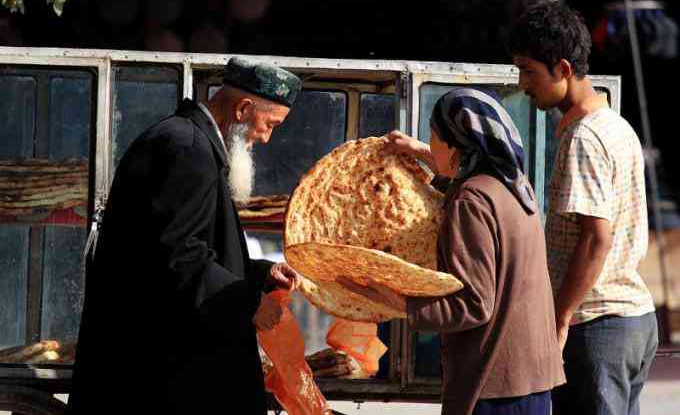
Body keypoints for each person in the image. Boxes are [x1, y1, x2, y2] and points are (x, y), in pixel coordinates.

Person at [66, 57, 303, 415]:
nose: (266, 138)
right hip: (159, 376)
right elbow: (177, 257)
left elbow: (192, 248)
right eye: (269, 124)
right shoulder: (187, 149)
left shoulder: (186, 140)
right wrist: (250, 304)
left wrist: (260, 274)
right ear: (242, 109)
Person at [343, 87, 565, 415]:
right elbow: (458, 173)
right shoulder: (513, 184)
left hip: (494, 383)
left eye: (433, 136)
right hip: (531, 376)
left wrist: (394, 299)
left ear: (457, 146)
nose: (429, 143)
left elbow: (474, 304)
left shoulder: (470, 202)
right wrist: (417, 150)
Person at [508, 0, 658, 415]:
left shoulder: (585, 138)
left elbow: (597, 239)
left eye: (529, 72)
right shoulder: (614, 124)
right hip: (629, 322)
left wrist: (559, 318)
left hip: (598, 325)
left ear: (564, 69)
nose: (523, 84)